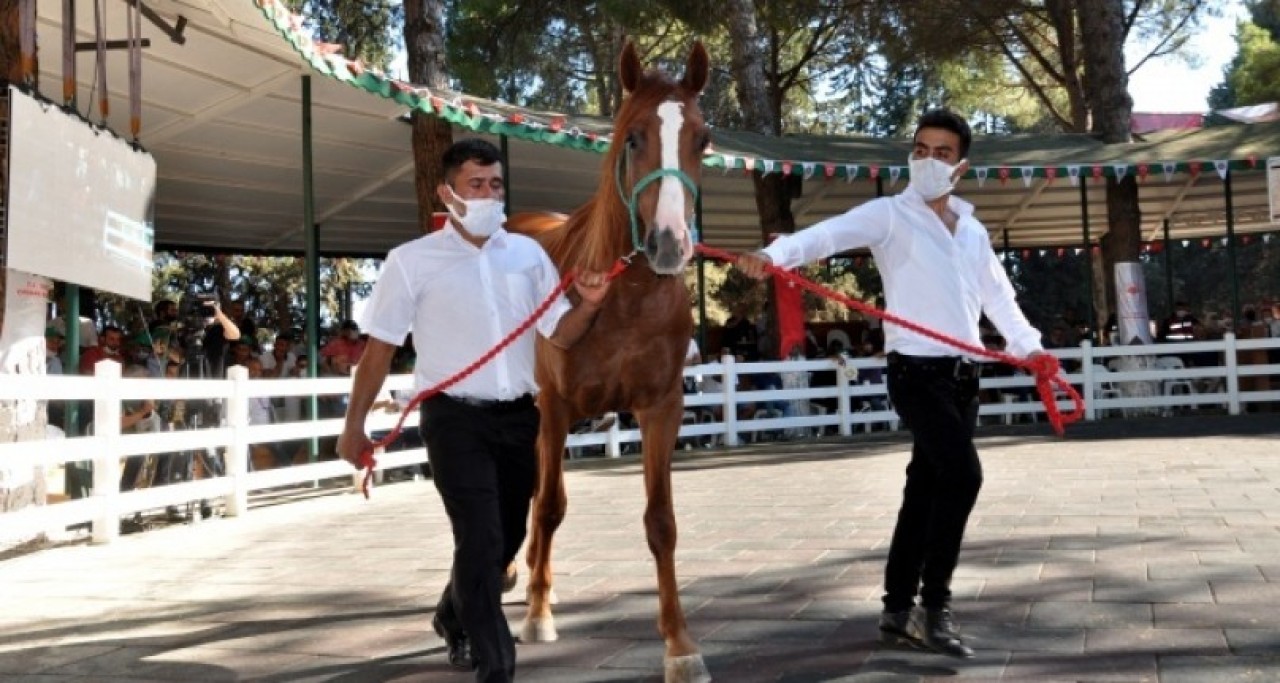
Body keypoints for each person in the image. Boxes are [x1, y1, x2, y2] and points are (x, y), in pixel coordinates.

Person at [735, 109, 1046, 660]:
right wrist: (773, 255)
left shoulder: (971, 231)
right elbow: (826, 236)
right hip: (915, 374)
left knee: (924, 490)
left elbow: (1000, 300)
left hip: (962, 379)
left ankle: (897, 609)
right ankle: (935, 607)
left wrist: (1033, 350)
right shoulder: (889, 215)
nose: (928, 160)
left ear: (961, 167)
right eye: (921, 149)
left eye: (942, 153)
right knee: (963, 474)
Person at [335, 138, 612, 683]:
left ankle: (450, 613)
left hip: (518, 417)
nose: (489, 194)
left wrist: (591, 303)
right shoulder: (410, 262)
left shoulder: (527, 255)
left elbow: (560, 330)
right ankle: (496, 662)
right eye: (476, 185)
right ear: (448, 193)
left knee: (507, 537)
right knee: (480, 537)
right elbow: (379, 351)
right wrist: (354, 427)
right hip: (453, 418)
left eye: (496, 184)